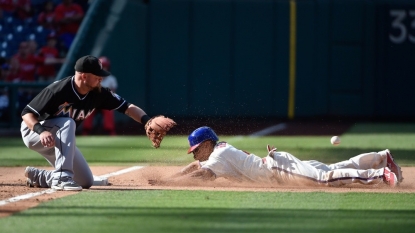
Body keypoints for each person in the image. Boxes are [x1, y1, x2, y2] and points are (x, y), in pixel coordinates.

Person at [21, 55, 176, 191]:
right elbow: (26, 113)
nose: (101, 78)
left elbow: (127, 107)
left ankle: (40, 176)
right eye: (97, 75)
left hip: (59, 139)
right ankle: (61, 177)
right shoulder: (58, 90)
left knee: (85, 181)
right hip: (34, 132)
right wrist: (41, 131)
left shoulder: (99, 93)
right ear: (83, 76)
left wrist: (147, 120)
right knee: (68, 123)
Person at [150, 126, 403, 187]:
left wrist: (169, 183)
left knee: (326, 178)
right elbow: (194, 166)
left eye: (196, 149)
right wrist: (166, 179)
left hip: (279, 169)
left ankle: (380, 173)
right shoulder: (218, 150)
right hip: (278, 164)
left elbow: (202, 174)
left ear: (206, 144)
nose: (196, 154)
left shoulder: (218, 156)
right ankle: (381, 158)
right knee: (331, 167)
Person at [82, 56, 118, 135]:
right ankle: (86, 131)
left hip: (105, 103)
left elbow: (112, 93)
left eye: (105, 67)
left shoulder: (111, 79)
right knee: (88, 109)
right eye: (102, 67)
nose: (104, 68)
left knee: (109, 110)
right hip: (93, 102)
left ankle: (110, 131)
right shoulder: (92, 78)